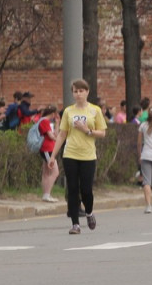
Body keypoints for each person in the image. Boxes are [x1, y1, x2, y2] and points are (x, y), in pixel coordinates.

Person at [51, 79, 108, 234]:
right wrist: (53, 155)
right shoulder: (68, 111)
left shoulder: (95, 110)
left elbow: (102, 133)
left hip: (88, 155)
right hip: (70, 153)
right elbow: (62, 134)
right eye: (75, 91)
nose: (78, 94)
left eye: (81, 91)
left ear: (87, 92)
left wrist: (87, 130)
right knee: (73, 189)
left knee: (86, 190)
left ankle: (89, 212)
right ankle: (75, 224)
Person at [37, 105, 60, 202]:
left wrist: (57, 123)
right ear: (53, 114)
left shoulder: (46, 121)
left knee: (46, 172)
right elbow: (51, 136)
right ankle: (47, 194)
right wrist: (59, 140)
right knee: (55, 172)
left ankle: (46, 194)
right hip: (47, 149)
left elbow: (55, 133)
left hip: (49, 149)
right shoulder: (44, 121)